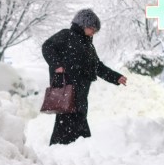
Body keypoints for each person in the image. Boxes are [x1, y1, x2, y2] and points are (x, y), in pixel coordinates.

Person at [41, 8, 127, 145]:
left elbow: (97, 66)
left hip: (81, 90)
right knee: (68, 120)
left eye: (95, 30)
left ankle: (75, 148)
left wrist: (115, 77)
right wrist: (57, 65)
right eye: (92, 28)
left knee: (77, 119)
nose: (94, 32)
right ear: (83, 25)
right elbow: (47, 46)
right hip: (67, 88)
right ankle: (65, 149)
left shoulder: (88, 45)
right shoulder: (66, 35)